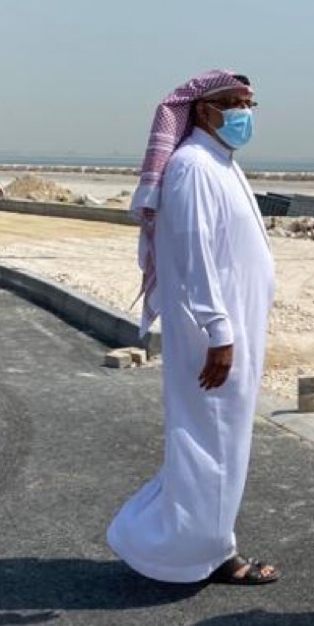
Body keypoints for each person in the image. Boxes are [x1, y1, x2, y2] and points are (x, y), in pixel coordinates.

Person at [107, 69, 278, 586]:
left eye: (250, 104)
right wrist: (219, 332)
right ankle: (198, 553)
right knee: (211, 444)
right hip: (214, 335)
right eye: (236, 103)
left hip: (233, 327)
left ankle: (195, 544)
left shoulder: (219, 162)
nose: (246, 113)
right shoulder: (193, 167)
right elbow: (196, 255)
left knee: (220, 444)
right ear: (204, 110)